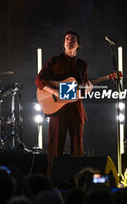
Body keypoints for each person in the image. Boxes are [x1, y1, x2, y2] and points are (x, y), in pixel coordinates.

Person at [35, 30, 93, 173]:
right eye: (67, 38)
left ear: (78, 44)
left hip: (75, 109)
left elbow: (81, 88)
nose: (69, 40)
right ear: (64, 43)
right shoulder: (53, 61)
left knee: (77, 148)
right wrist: (54, 91)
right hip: (57, 111)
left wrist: (88, 89)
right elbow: (39, 80)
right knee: (55, 148)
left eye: (73, 39)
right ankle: (52, 179)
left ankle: (77, 179)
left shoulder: (82, 65)